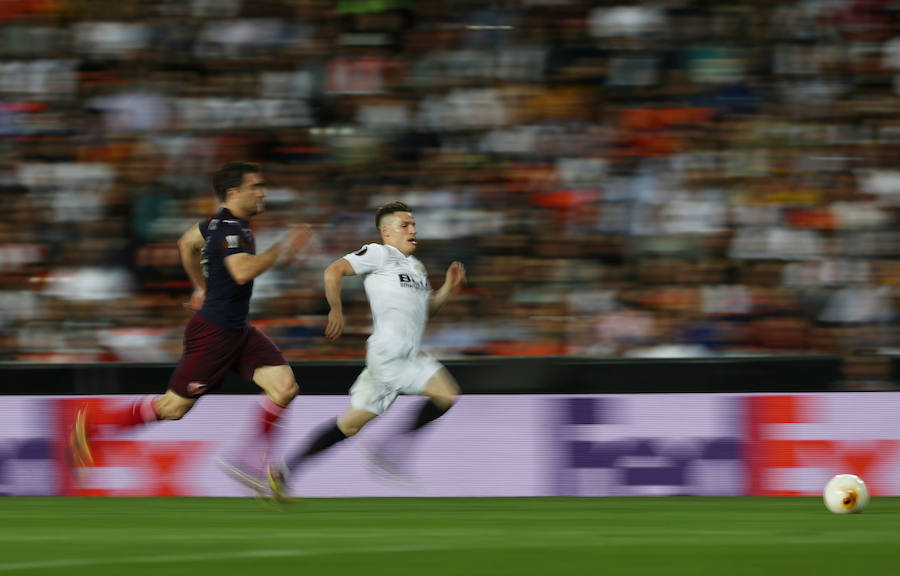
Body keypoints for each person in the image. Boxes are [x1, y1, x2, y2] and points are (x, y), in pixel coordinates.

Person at [68, 161, 312, 493]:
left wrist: (201, 287)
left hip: (237, 329)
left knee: (284, 387)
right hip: (215, 333)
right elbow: (242, 272)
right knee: (173, 407)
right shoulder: (229, 229)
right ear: (233, 192)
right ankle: (95, 426)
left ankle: (248, 461)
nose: (262, 192)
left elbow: (185, 243)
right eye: (255, 186)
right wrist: (281, 248)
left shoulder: (217, 224)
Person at [267, 201, 466, 498]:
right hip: (390, 353)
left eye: (413, 225)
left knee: (348, 426)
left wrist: (447, 289)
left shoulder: (417, 267)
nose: (413, 229)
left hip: (401, 356)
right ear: (386, 232)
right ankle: (389, 449)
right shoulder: (379, 253)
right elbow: (333, 271)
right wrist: (336, 309)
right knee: (446, 393)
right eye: (405, 225)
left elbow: (424, 311)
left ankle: (283, 471)